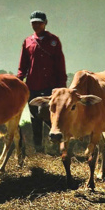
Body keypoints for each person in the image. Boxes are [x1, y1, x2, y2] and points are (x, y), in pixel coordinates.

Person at [17, 10, 66, 152]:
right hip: (32, 86)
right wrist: (19, 82)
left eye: (39, 22)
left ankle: (61, 141)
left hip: (51, 86)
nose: (36, 25)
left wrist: (61, 86)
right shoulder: (27, 42)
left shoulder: (53, 40)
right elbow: (23, 65)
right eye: (33, 23)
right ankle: (39, 148)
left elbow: (60, 64)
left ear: (45, 23)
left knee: (47, 114)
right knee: (34, 119)